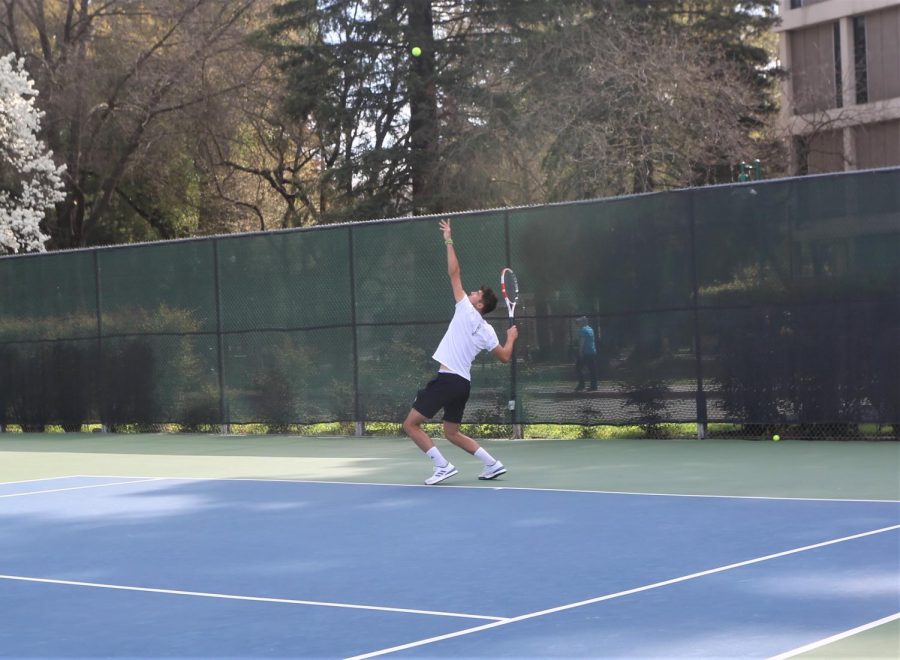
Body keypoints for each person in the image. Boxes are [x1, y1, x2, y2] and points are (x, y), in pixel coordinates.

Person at [402, 219, 519, 485]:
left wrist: (448, 239)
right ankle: (493, 464)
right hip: (462, 384)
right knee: (451, 432)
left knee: (410, 425)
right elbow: (504, 357)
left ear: (478, 305)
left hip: (447, 380)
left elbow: (454, 273)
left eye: (476, 294)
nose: (472, 293)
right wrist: (510, 338)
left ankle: (442, 466)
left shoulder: (465, 309)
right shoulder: (488, 331)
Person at [575, 316, 598, 391]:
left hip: (585, 352)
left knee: (578, 368)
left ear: (583, 322)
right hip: (592, 351)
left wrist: (580, 352)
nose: (578, 323)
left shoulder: (583, 330)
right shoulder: (590, 329)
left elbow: (582, 342)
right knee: (592, 369)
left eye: (580, 322)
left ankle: (581, 385)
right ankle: (594, 386)